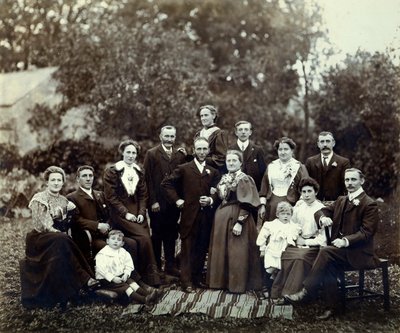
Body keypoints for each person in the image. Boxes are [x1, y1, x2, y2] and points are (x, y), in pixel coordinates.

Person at [284, 168, 380, 320]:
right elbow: (320, 212)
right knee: (328, 260)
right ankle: (334, 308)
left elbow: (367, 233)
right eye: (347, 180)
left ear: (362, 181)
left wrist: (345, 240)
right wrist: (322, 218)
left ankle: (308, 290)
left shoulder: (369, 204)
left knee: (326, 252)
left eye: (353, 180)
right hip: (340, 252)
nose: (349, 183)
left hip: (358, 252)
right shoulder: (342, 200)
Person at [20, 166, 98, 308]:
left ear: (63, 182)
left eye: (59, 180)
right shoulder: (39, 198)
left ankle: (71, 291)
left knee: (63, 242)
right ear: (47, 182)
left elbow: (70, 223)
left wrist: (71, 214)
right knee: (62, 239)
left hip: (58, 240)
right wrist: (59, 224)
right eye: (53, 180)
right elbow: (42, 225)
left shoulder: (64, 200)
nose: (56, 183)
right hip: (40, 238)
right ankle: (85, 278)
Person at [162, 137, 220, 292]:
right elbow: (166, 184)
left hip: (206, 216)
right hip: (189, 215)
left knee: (201, 247)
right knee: (187, 248)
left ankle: (196, 278)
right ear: (194, 150)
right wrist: (177, 200)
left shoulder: (213, 171)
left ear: (208, 150)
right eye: (199, 149)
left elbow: (217, 190)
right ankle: (186, 281)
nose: (201, 152)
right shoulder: (184, 168)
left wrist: (210, 199)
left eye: (204, 149)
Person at [103, 139, 160, 286]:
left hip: (137, 210)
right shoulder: (112, 171)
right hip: (119, 212)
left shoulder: (139, 171)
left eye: (134, 153)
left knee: (143, 240)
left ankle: (145, 278)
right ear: (122, 153)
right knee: (145, 238)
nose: (131, 155)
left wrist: (142, 212)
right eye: (128, 152)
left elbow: (143, 195)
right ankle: (147, 279)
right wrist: (125, 213)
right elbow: (111, 197)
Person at [207, 150, 263, 293]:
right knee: (222, 250)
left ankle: (237, 285)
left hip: (237, 217)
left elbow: (248, 203)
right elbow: (220, 197)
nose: (231, 163)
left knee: (237, 250)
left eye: (234, 161)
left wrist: (240, 222)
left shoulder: (244, 178)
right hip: (221, 219)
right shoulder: (224, 178)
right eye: (228, 161)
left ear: (240, 163)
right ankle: (221, 282)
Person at [67, 165, 138, 267]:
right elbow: (76, 220)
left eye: (90, 176)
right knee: (109, 249)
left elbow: (110, 214)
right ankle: (113, 281)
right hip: (89, 238)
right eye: (84, 176)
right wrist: (97, 226)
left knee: (131, 243)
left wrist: (108, 225)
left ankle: (131, 276)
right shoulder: (72, 197)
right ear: (78, 179)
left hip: (107, 235)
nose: (88, 179)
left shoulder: (100, 194)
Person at [270, 178, 326, 301]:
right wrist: (296, 237)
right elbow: (291, 224)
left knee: (300, 258)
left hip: (314, 246)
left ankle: (291, 294)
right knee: (284, 253)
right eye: (303, 192)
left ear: (315, 192)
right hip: (297, 241)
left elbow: (323, 239)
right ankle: (277, 291)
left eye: (309, 191)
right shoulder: (299, 207)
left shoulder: (321, 209)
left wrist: (306, 242)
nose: (306, 195)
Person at [143, 126, 187, 276]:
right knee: (157, 234)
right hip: (158, 203)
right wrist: (152, 201)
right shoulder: (152, 153)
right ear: (160, 136)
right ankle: (156, 266)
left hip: (173, 203)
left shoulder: (179, 155)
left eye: (172, 136)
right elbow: (147, 179)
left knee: (171, 233)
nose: (169, 139)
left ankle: (170, 265)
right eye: (166, 136)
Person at [95, 230, 160, 305]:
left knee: (131, 282)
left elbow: (129, 265)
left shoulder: (123, 252)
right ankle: (143, 299)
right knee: (126, 286)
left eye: (118, 240)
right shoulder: (103, 254)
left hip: (120, 276)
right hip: (106, 280)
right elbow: (101, 269)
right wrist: (113, 278)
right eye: (113, 239)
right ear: (107, 241)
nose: (115, 241)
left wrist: (126, 274)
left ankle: (147, 294)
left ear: (122, 243)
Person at [259, 137, 309, 221]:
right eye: (280, 149)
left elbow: (306, 187)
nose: (283, 152)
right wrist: (263, 205)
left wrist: (300, 205)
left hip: (291, 203)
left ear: (292, 151)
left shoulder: (298, 166)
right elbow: (264, 187)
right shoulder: (271, 166)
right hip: (271, 205)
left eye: (286, 149)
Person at [256, 201, 300, 281]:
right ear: (277, 215)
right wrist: (262, 249)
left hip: (285, 252)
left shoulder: (293, 226)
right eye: (283, 214)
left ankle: (274, 288)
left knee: (280, 271)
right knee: (271, 269)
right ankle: (265, 285)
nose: (285, 216)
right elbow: (262, 237)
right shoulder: (271, 225)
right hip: (273, 251)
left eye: (288, 214)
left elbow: (296, 238)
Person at [305, 131, 350, 202]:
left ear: (333, 143)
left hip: (336, 204)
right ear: (318, 144)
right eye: (322, 142)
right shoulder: (310, 162)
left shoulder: (343, 162)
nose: (325, 144)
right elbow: (306, 184)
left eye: (328, 141)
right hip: (315, 203)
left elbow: (346, 186)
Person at [230, 121, 267, 191]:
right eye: (240, 130)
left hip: (254, 191)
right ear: (236, 132)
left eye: (246, 129)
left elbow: (263, 174)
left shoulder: (258, 150)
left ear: (250, 132)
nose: (243, 132)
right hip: (234, 192)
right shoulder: (230, 150)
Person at [194, 104, 229, 172]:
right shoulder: (198, 134)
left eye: (206, 115)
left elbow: (221, 157)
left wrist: (203, 160)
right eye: (202, 116)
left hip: (213, 170)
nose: (203, 118)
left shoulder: (219, 133)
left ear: (213, 116)